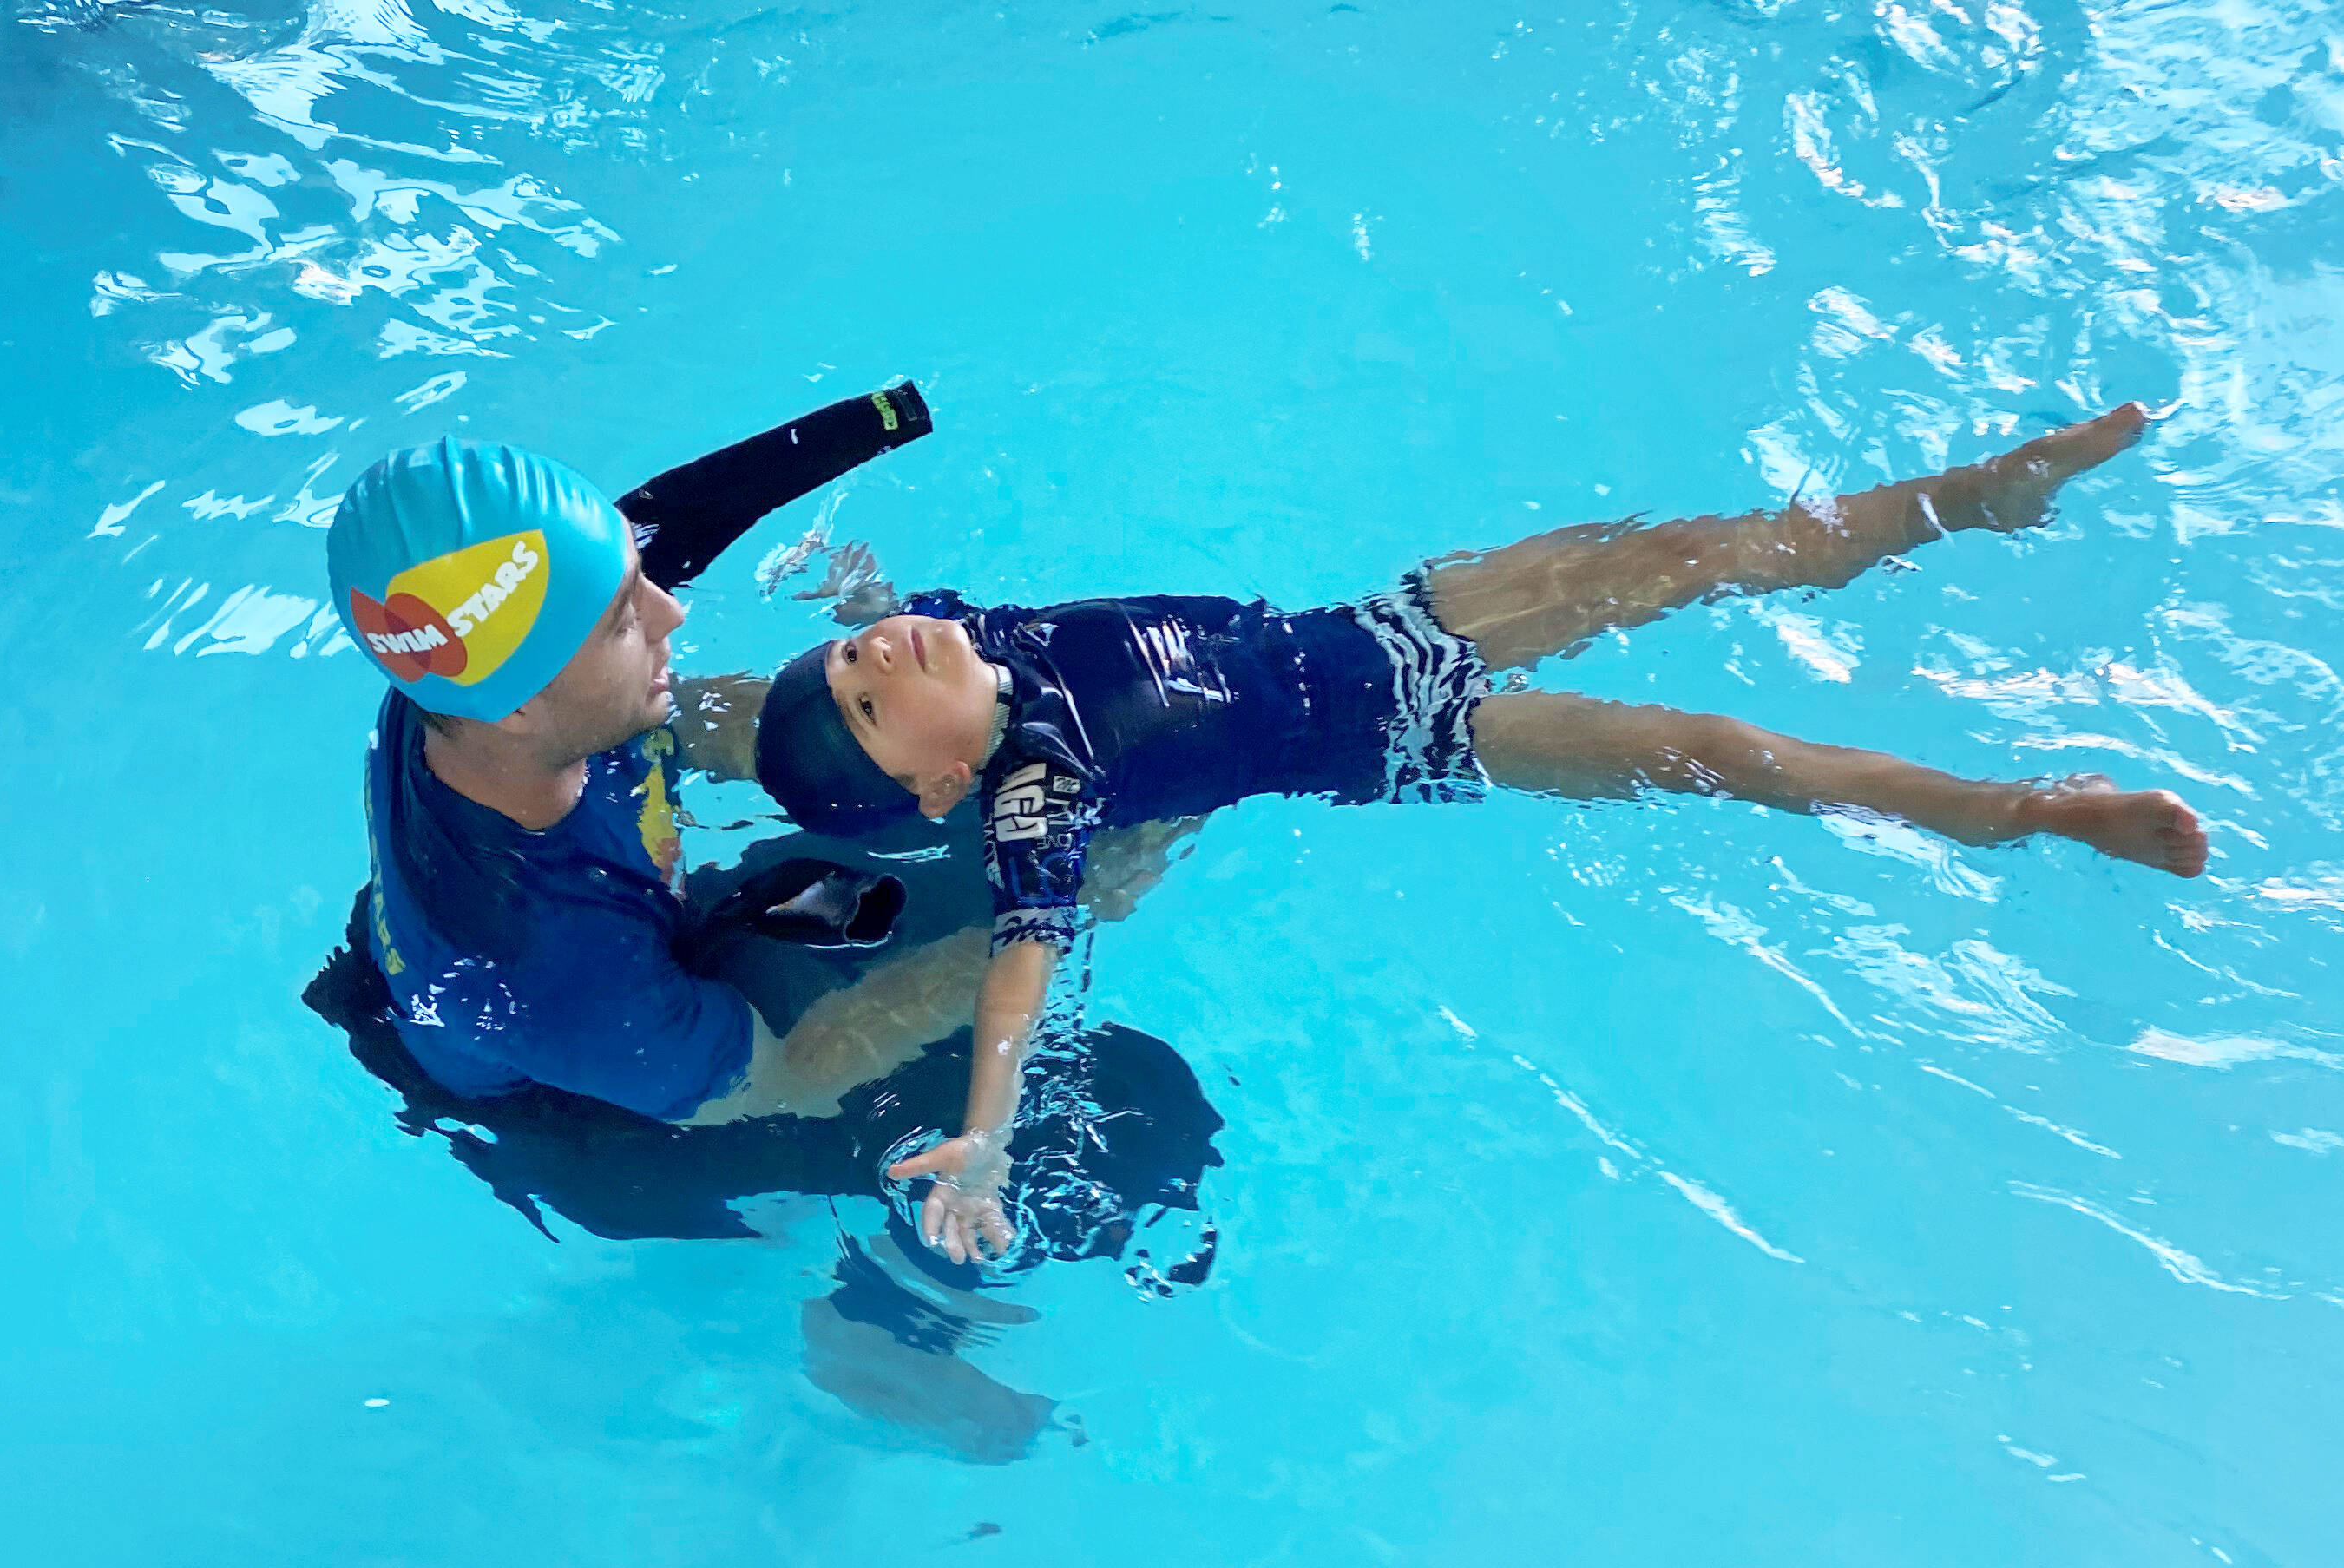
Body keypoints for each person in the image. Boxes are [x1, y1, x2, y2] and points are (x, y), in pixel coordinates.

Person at [751, 403, 2211, 1263]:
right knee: (1711, 752)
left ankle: (1974, 498)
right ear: (937, 790)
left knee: (1718, 548)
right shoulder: (1034, 794)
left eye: (866, 656)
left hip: (1401, 622)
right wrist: (988, 1144)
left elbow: (891, 633)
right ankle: (2018, 813)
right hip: (1405, 730)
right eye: (871, 697)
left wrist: (844, 600)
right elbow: (1019, 970)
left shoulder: (969, 633)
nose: (884, 657)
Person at [327, 384, 1008, 1124]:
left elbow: (691, 713)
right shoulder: (551, 976)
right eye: (625, 618)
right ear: (523, 704)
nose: (670, 611)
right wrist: (1021, 933)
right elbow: (793, 1079)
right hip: (579, 1107)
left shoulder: (464, 691)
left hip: (610, 949)